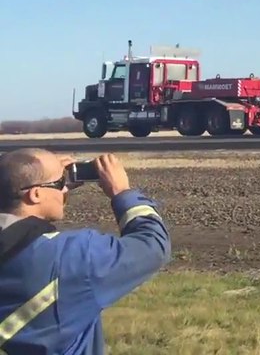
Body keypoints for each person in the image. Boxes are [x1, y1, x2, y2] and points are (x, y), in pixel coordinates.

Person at [0, 149, 171, 354]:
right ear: (35, 194)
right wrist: (122, 193)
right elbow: (152, 246)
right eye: (59, 184)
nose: (64, 191)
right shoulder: (71, 257)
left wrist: (49, 181)